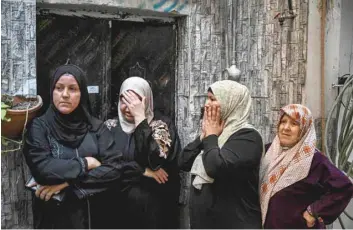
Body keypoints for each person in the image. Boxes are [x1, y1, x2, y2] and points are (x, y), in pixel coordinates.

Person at [23, 64, 124, 229]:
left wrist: (67, 184)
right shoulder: (39, 127)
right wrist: (86, 163)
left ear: (82, 93)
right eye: (59, 88)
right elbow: (42, 169)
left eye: (72, 89)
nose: (65, 94)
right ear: (52, 91)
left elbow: (115, 169)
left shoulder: (96, 128)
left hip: (93, 215)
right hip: (53, 217)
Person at [178, 80, 263, 229]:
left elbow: (215, 167)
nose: (206, 104)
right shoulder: (214, 134)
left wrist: (211, 136)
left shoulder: (249, 137)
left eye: (212, 99)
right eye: (207, 98)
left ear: (230, 102)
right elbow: (183, 162)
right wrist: (203, 137)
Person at [259, 104, 353, 229]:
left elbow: (343, 187)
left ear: (304, 128)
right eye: (283, 122)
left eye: (294, 124)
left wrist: (314, 211)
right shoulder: (267, 152)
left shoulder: (313, 159)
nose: (286, 128)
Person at [104, 76, 181, 229]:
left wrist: (140, 119)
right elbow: (102, 166)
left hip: (151, 210)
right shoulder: (109, 127)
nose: (129, 107)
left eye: (136, 101)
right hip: (114, 207)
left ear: (146, 100)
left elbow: (156, 161)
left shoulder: (161, 126)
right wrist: (141, 171)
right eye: (124, 100)